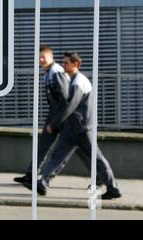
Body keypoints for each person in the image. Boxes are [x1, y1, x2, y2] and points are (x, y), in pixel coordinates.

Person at [25, 51, 121, 199]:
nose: (63, 65)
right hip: (72, 128)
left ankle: (112, 188)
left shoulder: (79, 82)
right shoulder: (73, 80)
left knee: (96, 158)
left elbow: (71, 106)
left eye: (66, 63)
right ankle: (43, 183)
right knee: (57, 156)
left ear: (75, 64)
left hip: (81, 128)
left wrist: (55, 123)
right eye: (63, 62)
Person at [14, 46, 99, 186]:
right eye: (39, 57)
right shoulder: (49, 72)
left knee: (79, 149)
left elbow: (65, 96)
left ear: (51, 57)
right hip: (57, 114)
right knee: (46, 144)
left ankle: (98, 176)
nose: (41, 60)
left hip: (61, 116)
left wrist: (58, 120)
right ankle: (31, 174)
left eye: (43, 57)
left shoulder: (56, 71)